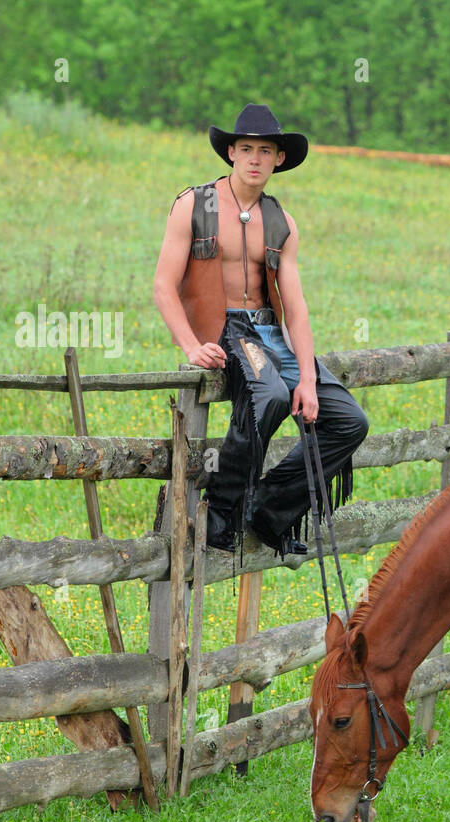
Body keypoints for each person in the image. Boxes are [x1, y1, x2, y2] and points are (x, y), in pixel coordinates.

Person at [153, 103, 369, 559]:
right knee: (268, 395)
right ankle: (221, 512)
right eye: (246, 148)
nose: (254, 158)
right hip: (226, 330)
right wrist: (191, 345)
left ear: (278, 160)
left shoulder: (282, 223)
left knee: (349, 421)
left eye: (265, 151)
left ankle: (270, 508)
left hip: (271, 334)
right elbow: (163, 286)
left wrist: (308, 379)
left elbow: (295, 307)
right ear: (231, 153)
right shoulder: (194, 205)